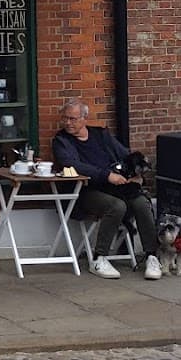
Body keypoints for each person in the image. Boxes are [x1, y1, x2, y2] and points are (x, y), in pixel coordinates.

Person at [50, 99, 160, 280]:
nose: (68, 123)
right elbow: (71, 164)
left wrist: (137, 173)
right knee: (116, 206)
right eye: (65, 119)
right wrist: (106, 175)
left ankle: (151, 255)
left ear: (84, 118)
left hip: (117, 187)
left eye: (73, 119)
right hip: (85, 191)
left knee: (141, 202)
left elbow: (126, 154)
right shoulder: (61, 141)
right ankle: (99, 257)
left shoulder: (101, 135)